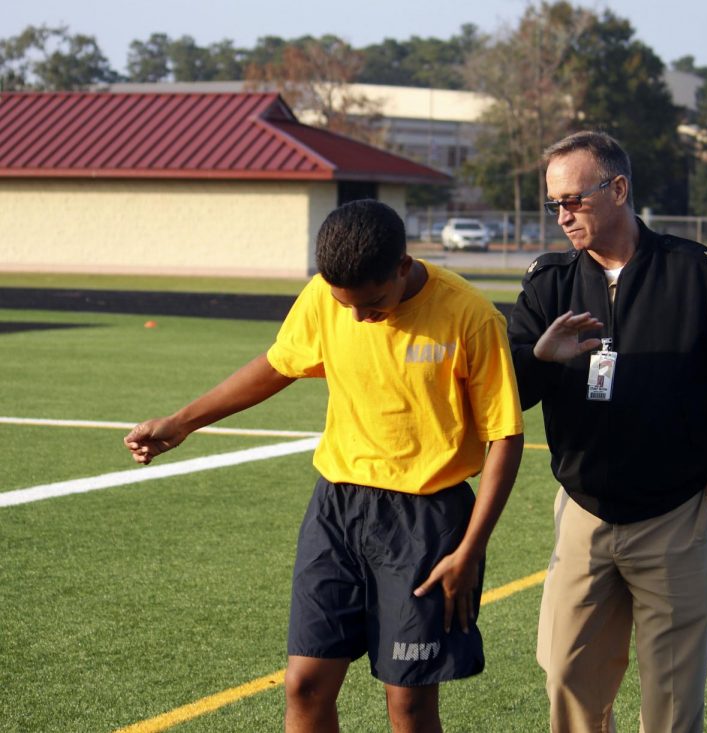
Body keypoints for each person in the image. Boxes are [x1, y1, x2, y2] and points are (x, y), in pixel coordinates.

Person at [124, 199, 524, 733]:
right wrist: (183, 421)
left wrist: (470, 551)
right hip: (337, 509)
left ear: (402, 267)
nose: (358, 316)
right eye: (345, 304)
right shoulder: (324, 296)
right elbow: (278, 364)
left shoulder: (470, 315)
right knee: (305, 684)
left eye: (373, 303)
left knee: (407, 702)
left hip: (426, 522)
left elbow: (506, 436)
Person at [507, 131, 707, 733]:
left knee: (672, 701)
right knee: (565, 679)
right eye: (553, 203)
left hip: (675, 515)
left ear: (619, 189)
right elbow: (505, 391)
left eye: (573, 199)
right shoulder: (549, 283)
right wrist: (541, 358)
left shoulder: (701, 275)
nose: (562, 215)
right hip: (584, 514)